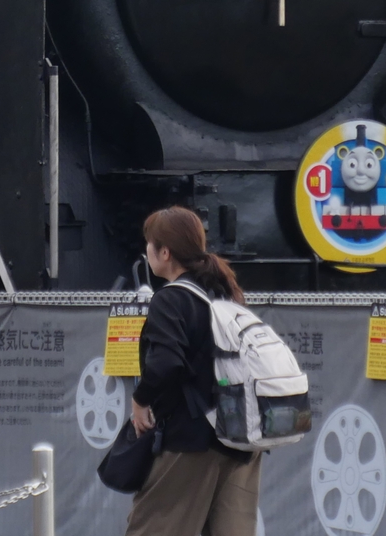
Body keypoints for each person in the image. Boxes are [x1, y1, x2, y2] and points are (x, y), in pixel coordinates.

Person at [124, 207, 260, 536]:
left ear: (165, 253)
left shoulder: (171, 299)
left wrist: (140, 401)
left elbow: (166, 362)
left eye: (150, 243)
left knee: (153, 528)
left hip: (193, 438)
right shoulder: (225, 294)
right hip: (242, 434)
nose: (147, 250)